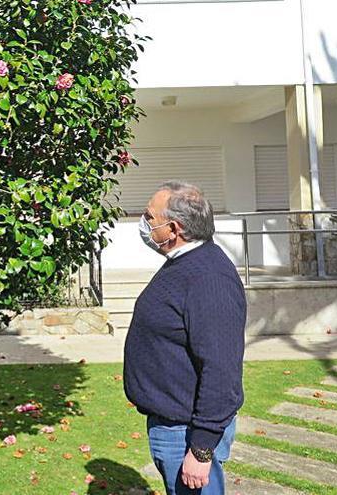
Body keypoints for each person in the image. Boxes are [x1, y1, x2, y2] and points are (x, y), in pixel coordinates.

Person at [123, 181, 246, 495]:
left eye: (150, 218)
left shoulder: (208, 278)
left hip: (187, 433)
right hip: (174, 423)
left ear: (173, 228)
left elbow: (222, 369)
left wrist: (201, 449)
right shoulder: (185, 264)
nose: (145, 222)